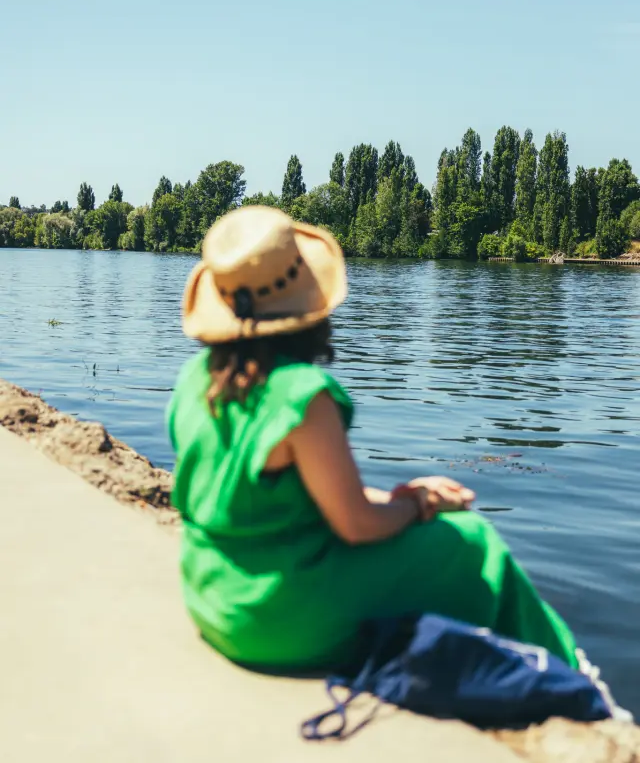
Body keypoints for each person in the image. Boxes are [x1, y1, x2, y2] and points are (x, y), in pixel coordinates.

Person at [167, 205, 579, 673]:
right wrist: (418, 507)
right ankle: (568, 675)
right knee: (474, 544)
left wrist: (403, 496)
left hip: (211, 599)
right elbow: (356, 526)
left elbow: (273, 499)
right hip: (276, 619)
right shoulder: (302, 396)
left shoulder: (194, 379)